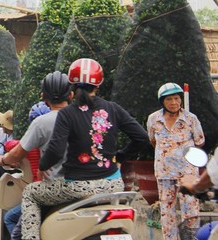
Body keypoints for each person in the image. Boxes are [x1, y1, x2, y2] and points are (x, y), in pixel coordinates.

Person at [20, 58, 149, 240]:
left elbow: (56, 152)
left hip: (78, 187)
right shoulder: (113, 109)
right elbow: (142, 137)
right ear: (98, 85)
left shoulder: (67, 113)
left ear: (71, 87)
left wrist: (42, 166)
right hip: (114, 185)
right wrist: (120, 157)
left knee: (30, 194)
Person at [0, 71, 72, 239]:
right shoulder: (86, 118)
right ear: (71, 95)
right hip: (95, 184)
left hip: (57, 188)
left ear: (43, 96)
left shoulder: (40, 125)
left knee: (17, 221)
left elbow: (15, 154)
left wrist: (1, 159)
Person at [147, 82, 204, 240]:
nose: (174, 103)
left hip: (187, 173)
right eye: (169, 99)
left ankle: (191, 237)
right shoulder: (154, 119)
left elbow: (200, 141)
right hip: (164, 172)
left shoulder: (190, 119)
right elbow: (153, 141)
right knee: (167, 210)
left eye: (177, 98)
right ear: (162, 102)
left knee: (191, 209)